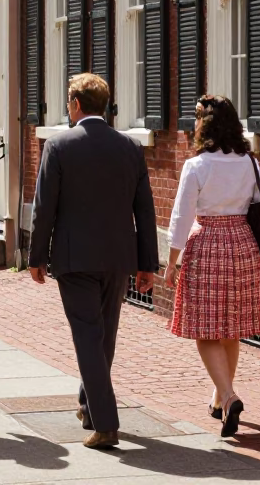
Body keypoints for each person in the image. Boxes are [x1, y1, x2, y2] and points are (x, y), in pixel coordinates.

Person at [28, 73, 158, 450]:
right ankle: (89, 404)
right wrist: (146, 262)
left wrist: (37, 256)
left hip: (74, 258)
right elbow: (145, 211)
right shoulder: (130, 147)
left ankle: (106, 423)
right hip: (118, 257)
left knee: (88, 336)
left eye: (68, 104)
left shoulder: (59, 146)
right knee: (104, 336)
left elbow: (44, 208)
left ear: (76, 105)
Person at [164, 95, 260, 438]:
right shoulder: (250, 163)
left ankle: (228, 396)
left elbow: (181, 216)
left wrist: (171, 261)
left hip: (208, 242)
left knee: (205, 328)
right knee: (232, 325)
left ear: (206, 125)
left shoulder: (197, 166)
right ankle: (219, 397)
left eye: (197, 119)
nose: (194, 124)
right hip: (242, 243)